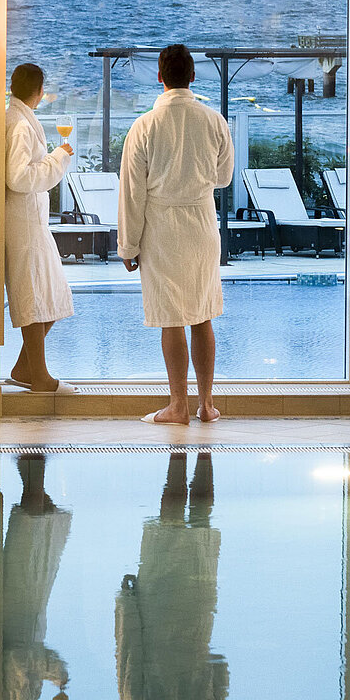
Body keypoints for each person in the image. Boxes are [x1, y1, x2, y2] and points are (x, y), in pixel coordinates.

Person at [118, 44, 232, 425]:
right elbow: (224, 177)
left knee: (172, 318)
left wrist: (127, 245)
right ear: (193, 77)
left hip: (162, 230)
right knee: (202, 315)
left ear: (160, 77)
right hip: (201, 224)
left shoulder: (145, 126)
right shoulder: (215, 120)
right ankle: (206, 405)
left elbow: (132, 192)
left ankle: (177, 405)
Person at [114, 451, 227, 700]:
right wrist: (126, 601)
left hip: (195, 617)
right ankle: (182, 446)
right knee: (171, 523)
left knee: (200, 520)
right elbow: (128, 654)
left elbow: (220, 672)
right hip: (159, 610)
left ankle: (201, 449)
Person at [4, 63, 79, 394]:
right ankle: (39, 376)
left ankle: (24, 368)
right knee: (35, 297)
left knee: (51, 294)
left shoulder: (16, 119)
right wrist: (59, 158)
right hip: (23, 224)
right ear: (39, 91)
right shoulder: (20, 125)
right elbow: (18, 177)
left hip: (29, 222)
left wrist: (52, 157)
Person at [3, 453, 72, 700]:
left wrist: (51, 671)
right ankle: (31, 465)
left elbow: (16, 657)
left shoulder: (14, 695)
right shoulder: (29, 694)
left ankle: (32, 463)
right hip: (32, 606)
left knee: (31, 526)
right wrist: (54, 674)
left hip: (19, 601)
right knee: (39, 524)